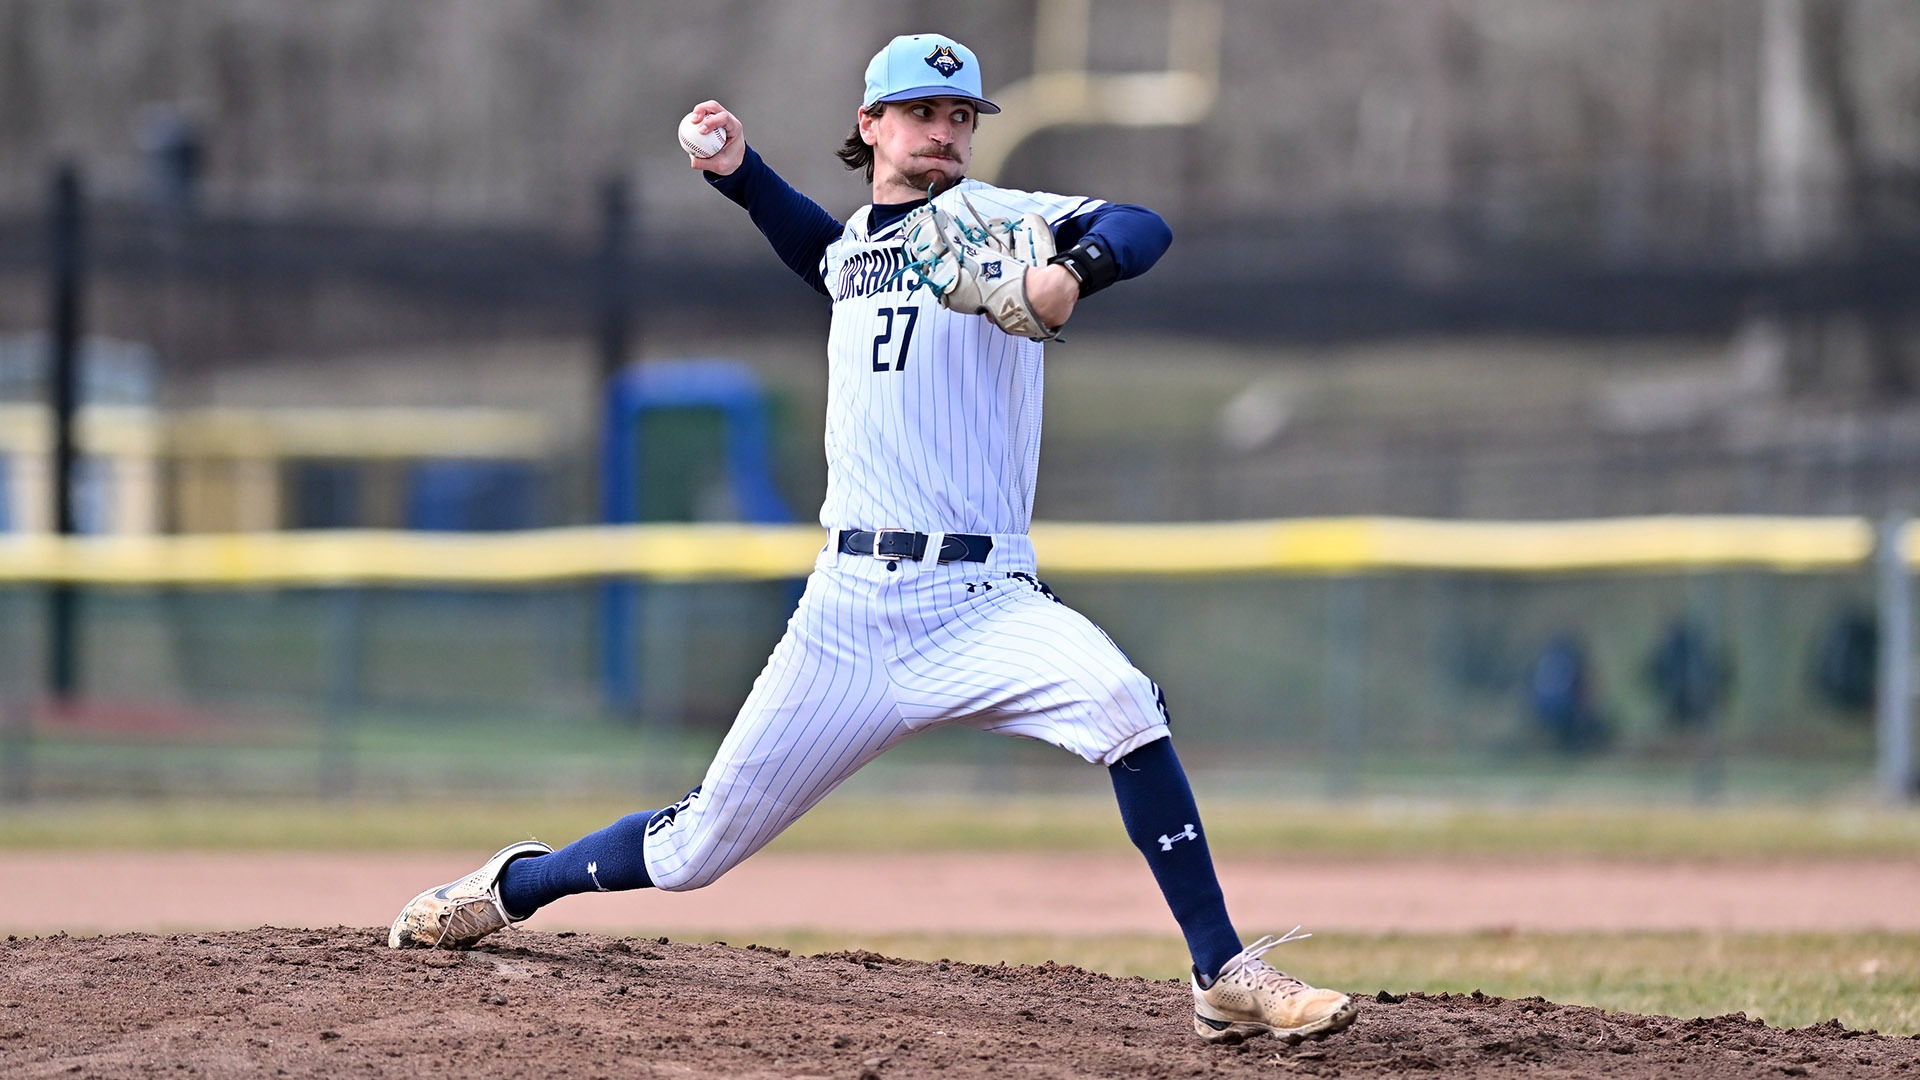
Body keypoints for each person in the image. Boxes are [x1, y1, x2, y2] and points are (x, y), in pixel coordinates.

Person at [388, 31, 1357, 1048]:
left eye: (960, 118)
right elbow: (821, 250)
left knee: (1121, 703)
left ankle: (1223, 973)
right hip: (848, 612)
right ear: (871, 125)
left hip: (984, 603)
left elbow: (1142, 222)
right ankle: (513, 885)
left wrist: (1075, 271)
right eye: (922, 114)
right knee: (695, 850)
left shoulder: (1000, 221)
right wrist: (737, 174)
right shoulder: (858, 249)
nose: (944, 134)